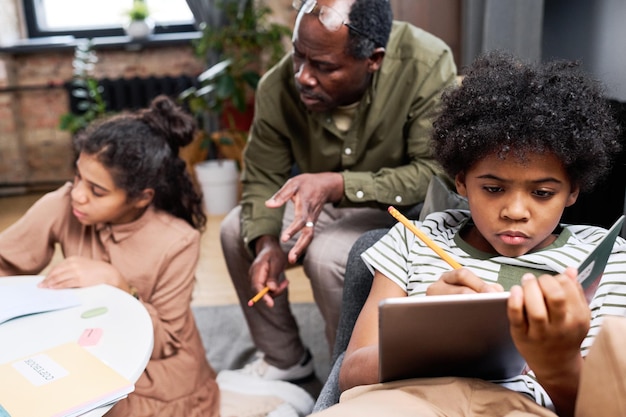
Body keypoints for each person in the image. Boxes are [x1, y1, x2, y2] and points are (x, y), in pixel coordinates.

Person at [311, 50, 626, 417]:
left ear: (573, 189)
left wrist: (556, 362)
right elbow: (350, 374)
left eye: (542, 193)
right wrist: (431, 332)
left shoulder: (607, 258)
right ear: (461, 181)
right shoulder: (415, 239)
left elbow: (602, 408)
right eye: (493, 189)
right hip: (406, 402)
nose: (515, 211)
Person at [220, 0, 457, 382]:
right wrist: (266, 244)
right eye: (298, 56)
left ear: (373, 59)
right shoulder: (278, 85)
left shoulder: (425, 64)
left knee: (329, 255)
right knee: (237, 230)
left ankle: (344, 374)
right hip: (320, 199)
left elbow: (433, 173)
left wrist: (338, 185)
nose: (303, 76)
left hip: (402, 210)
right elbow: (262, 176)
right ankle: (285, 360)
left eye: (324, 67)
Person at [0, 96, 219, 417]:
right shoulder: (64, 203)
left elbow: (166, 342)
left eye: (97, 191)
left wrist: (118, 284)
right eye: (78, 177)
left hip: (156, 372)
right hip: (81, 349)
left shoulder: (178, 241)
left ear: (142, 198)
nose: (77, 193)